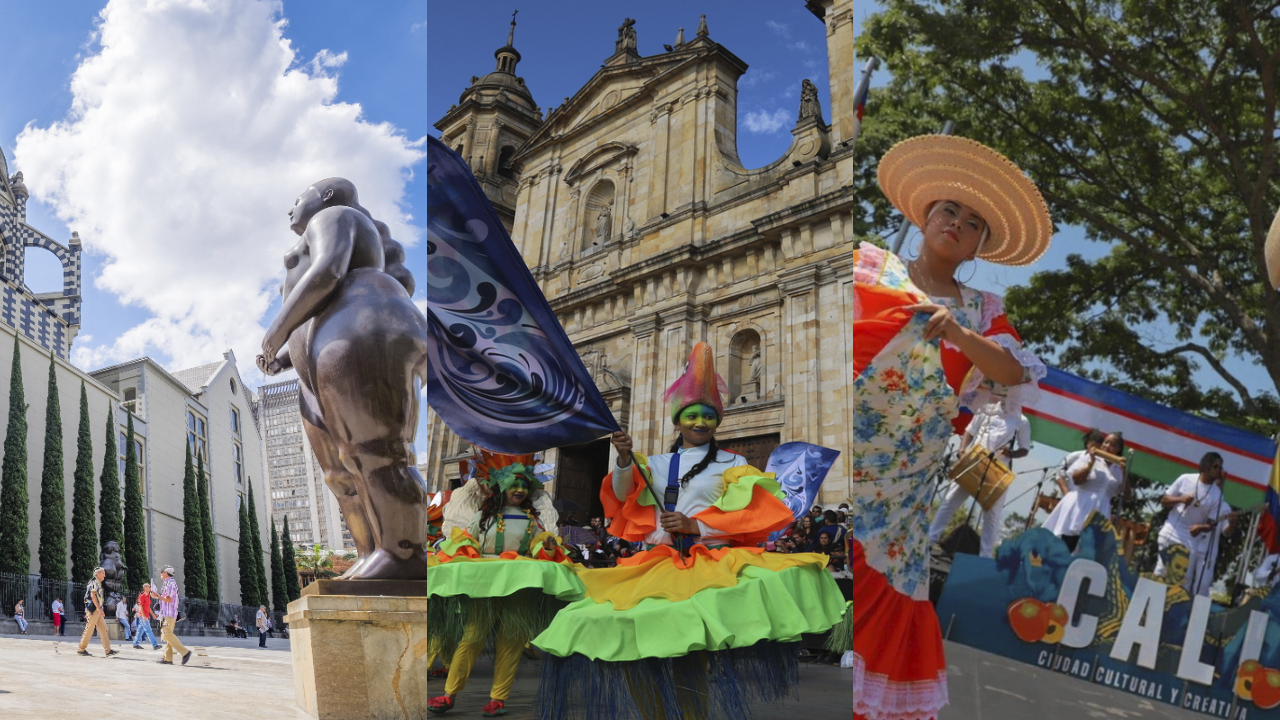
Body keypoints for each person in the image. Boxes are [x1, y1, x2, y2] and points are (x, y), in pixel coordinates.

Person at [845, 135, 1051, 720]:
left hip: (906, 481)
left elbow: (1013, 372)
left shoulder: (983, 310)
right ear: (924, 216)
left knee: (885, 580)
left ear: (981, 245)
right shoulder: (866, 263)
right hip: (850, 447)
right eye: (948, 210)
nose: (957, 223)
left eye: (973, 222)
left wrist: (958, 334)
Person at [534, 342, 846, 719]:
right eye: (692, 415)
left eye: (708, 416)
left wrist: (695, 524)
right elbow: (622, 495)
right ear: (677, 420)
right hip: (656, 565)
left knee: (688, 657)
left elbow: (747, 517)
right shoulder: (658, 462)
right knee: (635, 647)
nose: (700, 422)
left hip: (707, 564)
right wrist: (620, 459)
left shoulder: (736, 462)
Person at [428, 452, 581, 717]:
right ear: (501, 487)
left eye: (523, 485)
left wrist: (547, 546)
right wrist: (463, 547)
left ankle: (498, 698)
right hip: (486, 584)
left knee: (511, 640)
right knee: (473, 636)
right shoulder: (482, 519)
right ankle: (449, 693)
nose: (519, 489)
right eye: (513, 484)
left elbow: (538, 546)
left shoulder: (533, 522)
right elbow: (466, 543)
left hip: (520, 586)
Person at [928, 406, 1032, 557]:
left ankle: (984, 556)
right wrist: (962, 450)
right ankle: (931, 539)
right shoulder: (985, 410)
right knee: (949, 502)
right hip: (973, 462)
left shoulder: (1022, 421)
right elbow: (970, 430)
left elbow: (1024, 449)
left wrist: (1011, 453)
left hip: (997, 472)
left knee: (992, 515)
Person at [1155, 452, 1237, 596]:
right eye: (1216, 466)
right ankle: (1147, 609)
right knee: (1161, 571)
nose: (1219, 470)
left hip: (1191, 539)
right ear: (1206, 465)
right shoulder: (1186, 479)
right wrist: (1180, 499)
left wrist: (1200, 528)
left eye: (1220, 467)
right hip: (1172, 530)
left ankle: (1169, 614)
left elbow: (1211, 524)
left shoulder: (1217, 495)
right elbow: (1164, 500)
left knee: (1183, 582)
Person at [1043, 431, 1126, 551]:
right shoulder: (1088, 458)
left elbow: (1126, 494)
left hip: (1101, 511)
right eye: (1105, 442)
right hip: (1081, 505)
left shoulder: (1118, 469)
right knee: (1067, 545)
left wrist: (1125, 472)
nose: (1106, 446)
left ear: (1118, 449)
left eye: (1112, 444)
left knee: (1086, 552)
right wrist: (1090, 463)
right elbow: (1076, 480)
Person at [152, 565, 191, 665]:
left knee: (166, 632)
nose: (160, 573)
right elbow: (166, 599)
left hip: (169, 613)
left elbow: (169, 599)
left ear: (166, 573)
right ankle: (168, 658)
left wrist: (157, 596)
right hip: (166, 613)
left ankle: (185, 652)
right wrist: (159, 603)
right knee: (166, 635)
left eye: (161, 571)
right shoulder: (167, 583)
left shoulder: (170, 583)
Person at [78, 567, 117, 657]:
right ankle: (81, 649)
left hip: (96, 609)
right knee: (89, 629)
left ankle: (108, 650)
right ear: (97, 574)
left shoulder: (97, 583)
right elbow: (93, 595)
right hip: (93, 609)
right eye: (103, 573)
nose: (105, 575)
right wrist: (99, 609)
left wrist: (100, 609)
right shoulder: (94, 582)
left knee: (103, 629)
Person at [130, 583, 161, 650]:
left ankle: (135, 643)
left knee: (140, 630)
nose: (150, 588)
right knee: (148, 630)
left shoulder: (148, 596)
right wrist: (143, 616)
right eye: (149, 587)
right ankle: (155, 645)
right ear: (145, 588)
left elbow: (148, 607)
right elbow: (140, 606)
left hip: (146, 615)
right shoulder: (142, 596)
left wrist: (153, 614)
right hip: (142, 615)